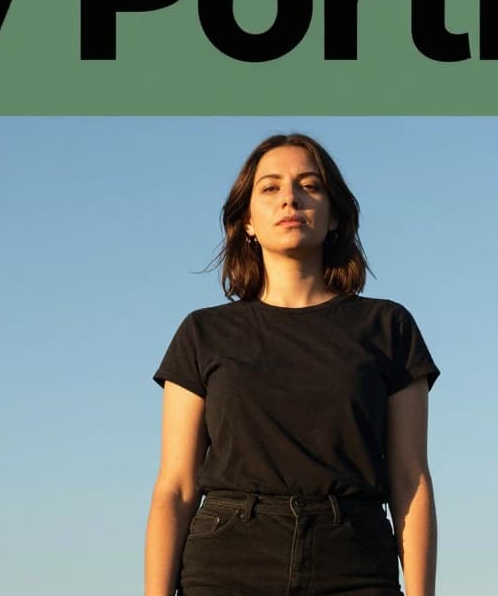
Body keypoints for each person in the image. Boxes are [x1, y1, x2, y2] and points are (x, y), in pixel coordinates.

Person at [145, 133, 440, 596]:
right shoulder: (202, 333)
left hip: (354, 560)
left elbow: (410, 477)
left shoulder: (388, 326)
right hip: (227, 559)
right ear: (247, 221)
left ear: (335, 216)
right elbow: (176, 486)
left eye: (310, 185)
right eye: (270, 187)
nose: (290, 198)